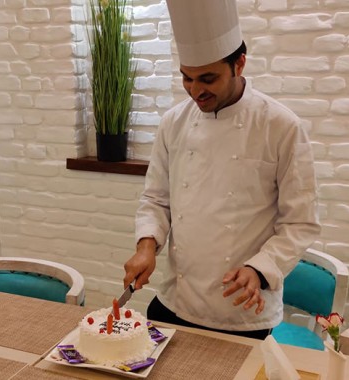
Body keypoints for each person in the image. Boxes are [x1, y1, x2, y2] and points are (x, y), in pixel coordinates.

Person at [123, 0, 321, 340]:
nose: (195, 90)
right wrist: (145, 247)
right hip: (174, 302)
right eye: (186, 78)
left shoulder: (281, 126)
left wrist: (259, 270)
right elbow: (156, 199)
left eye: (208, 78)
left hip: (241, 314)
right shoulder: (174, 123)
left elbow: (299, 222)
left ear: (239, 64)